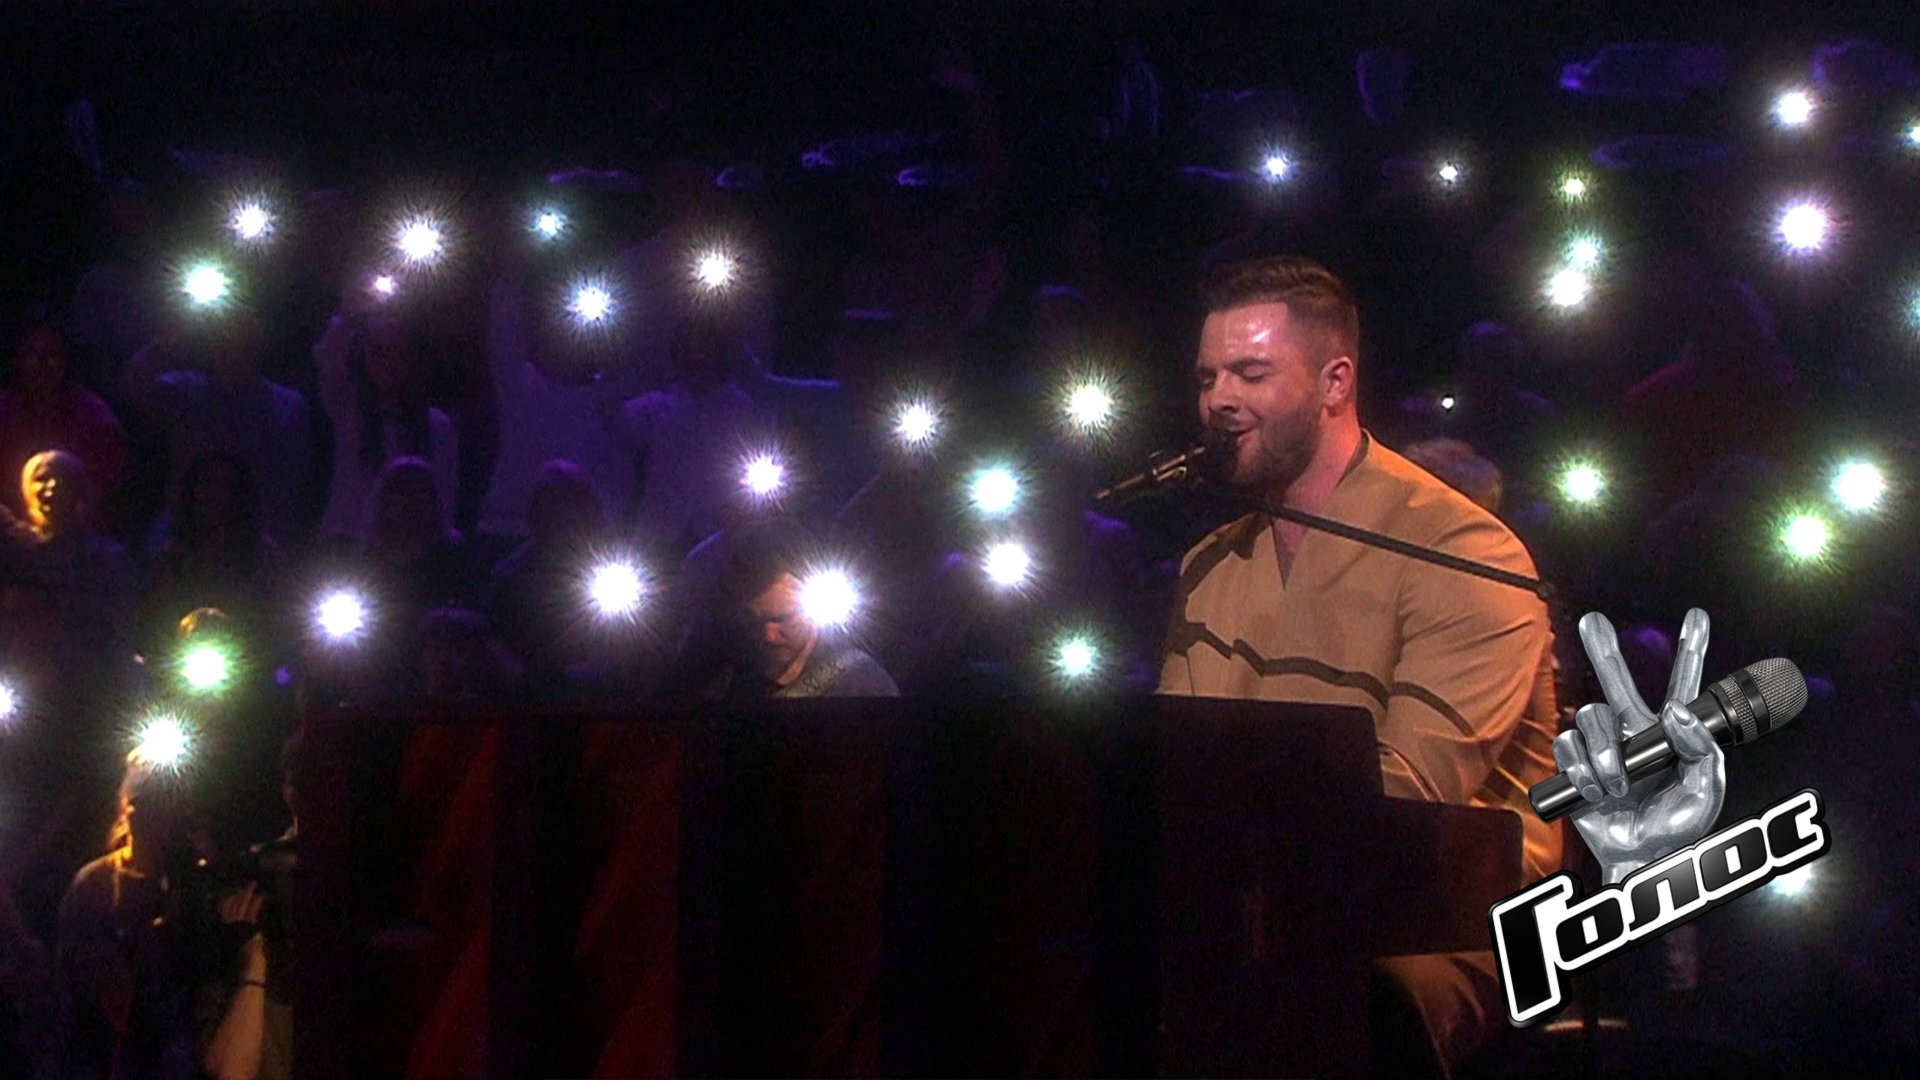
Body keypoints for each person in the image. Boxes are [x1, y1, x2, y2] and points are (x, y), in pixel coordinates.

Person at [1157, 255, 1558, 1075]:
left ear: (1335, 383)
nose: (1217, 398)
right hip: (1263, 900)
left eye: (1250, 372)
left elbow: (1408, 792)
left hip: (1453, 917)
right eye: (1207, 377)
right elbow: (1178, 770)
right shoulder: (1209, 565)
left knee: (1309, 995)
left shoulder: (1462, 549)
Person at [122, 314, 314, 553]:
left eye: (241, 340)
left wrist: (267, 538)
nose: (232, 348)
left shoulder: (287, 405)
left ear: (257, 345)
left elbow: (289, 482)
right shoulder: (187, 390)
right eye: (224, 339)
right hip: (183, 527)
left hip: (255, 532)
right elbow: (136, 386)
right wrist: (168, 341)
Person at [313, 306, 459, 544]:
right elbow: (329, 360)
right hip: (348, 545)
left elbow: (443, 499)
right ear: (363, 357)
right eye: (378, 353)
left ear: (412, 357)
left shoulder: (437, 426)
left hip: (411, 549)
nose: (388, 363)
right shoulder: (348, 412)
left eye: (398, 352)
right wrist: (348, 312)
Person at [714, 519, 898, 699]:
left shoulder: (862, 684)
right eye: (752, 620)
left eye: (782, 618)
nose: (768, 635)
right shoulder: (723, 676)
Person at [0, 319, 131, 520]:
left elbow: (110, 480)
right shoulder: (4, 410)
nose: (42, 365)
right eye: (33, 355)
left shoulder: (92, 413)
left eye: (52, 356)